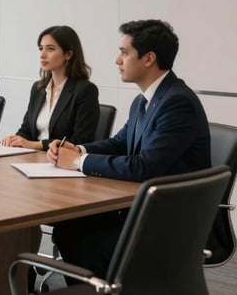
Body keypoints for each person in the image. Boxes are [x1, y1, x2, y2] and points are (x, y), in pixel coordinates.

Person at [48, 19, 211, 282]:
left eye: (124, 53)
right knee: (69, 229)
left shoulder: (177, 102)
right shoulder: (144, 100)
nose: (117, 60)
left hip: (166, 223)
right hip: (143, 209)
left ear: (149, 58)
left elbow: (144, 166)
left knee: (78, 237)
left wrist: (79, 161)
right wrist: (76, 147)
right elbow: (120, 143)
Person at [1, 25, 99, 151]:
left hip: (63, 162)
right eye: (41, 48)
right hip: (31, 158)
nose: (42, 55)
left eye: (50, 49)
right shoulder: (38, 88)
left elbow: (80, 141)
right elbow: (26, 130)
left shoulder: (85, 90)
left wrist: (35, 145)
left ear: (68, 54)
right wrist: (15, 139)